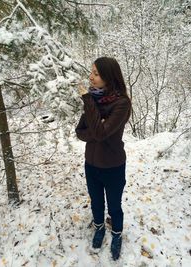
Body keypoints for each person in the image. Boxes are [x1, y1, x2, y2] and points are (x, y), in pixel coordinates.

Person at [75, 57, 131, 261]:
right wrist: (98, 127)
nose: (90, 77)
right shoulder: (95, 98)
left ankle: (117, 234)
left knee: (114, 205)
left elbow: (98, 134)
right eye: (91, 72)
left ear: (109, 77)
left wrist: (88, 102)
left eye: (96, 73)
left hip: (113, 166)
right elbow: (80, 131)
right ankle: (99, 228)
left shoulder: (121, 103)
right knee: (96, 202)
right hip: (91, 164)